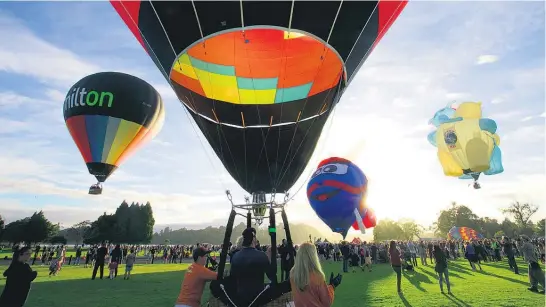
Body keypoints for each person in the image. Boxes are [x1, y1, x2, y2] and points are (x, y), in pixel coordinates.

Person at [229, 228, 276, 305]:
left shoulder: (236, 256)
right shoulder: (261, 255)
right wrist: (269, 258)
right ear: (253, 239)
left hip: (241, 296)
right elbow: (271, 275)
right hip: (258, 297)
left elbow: (232, 276)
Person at [290, 242, 342, 307]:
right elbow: (327, 302)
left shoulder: (293, 274)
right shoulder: (317, 276)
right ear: (313, 256)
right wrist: (332, 286)